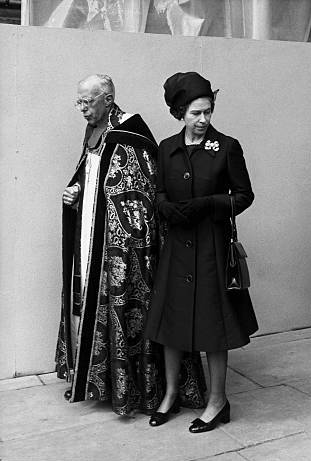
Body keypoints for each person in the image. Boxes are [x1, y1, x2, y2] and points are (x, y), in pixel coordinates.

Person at [144, 72, 258, 432]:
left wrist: (209, 204)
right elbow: (159, 193)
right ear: (180, 112)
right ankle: (171, 394)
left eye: (208, 111)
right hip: (177, 249)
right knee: (172, 324)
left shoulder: (227, 147)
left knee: (213, 327)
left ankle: (217, 401)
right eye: (196, 113)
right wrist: (167, 208)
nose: (204, 119)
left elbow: (244, 196)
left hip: (210, 247)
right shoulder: (166, 148)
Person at [57, 74, 165, 415]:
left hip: (116, 245)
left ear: (107, 100)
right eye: (79, 102)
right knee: (85, 295)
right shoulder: (94, 131)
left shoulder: (129, 133)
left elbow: (139, 194)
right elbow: (91, 175)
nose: (81, 109)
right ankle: (93, 377)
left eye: (86, 103)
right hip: (88, 232)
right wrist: (75, 191)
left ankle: (126, 386)